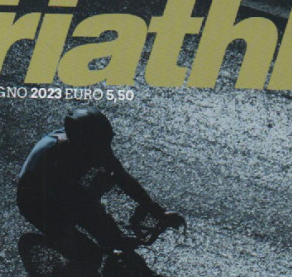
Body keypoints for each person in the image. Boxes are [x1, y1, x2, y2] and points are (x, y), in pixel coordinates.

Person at [17, 106, 181, 257]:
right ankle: (70, 274)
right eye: (100, 146)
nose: (105, 150)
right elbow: (75, 202)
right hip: (37, 201)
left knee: (114, 238)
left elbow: (122, 177)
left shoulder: (92, 143)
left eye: (107, 143)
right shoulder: (54, 156)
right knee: (90, 255)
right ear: (81, 144)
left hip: (65, 188)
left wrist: (154, 209)